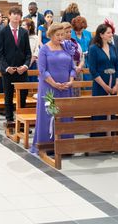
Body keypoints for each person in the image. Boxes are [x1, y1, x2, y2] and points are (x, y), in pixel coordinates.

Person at [31, 23, 76, 154]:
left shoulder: (67, 48)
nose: (61, 37)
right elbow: (42, 70)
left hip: (66, 89)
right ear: (50, 35)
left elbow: (72, 68)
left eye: (62, 34)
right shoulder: (44, 49)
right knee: (49, 115)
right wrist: (54, 83)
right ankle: (47, 146)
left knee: (65, 115)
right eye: (58, 35)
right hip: (49, 90)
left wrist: (70, 81)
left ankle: (66, 146)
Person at [0, 7, 32, 128]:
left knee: (23, 95)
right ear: (9, 16)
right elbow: (0, 53)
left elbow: (28, 53)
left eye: (18, 14)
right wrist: (7, 67)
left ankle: (21, 119)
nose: (16, 16)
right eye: (14, 14)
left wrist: (26, 66)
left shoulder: (24, 32)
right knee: (8, 95)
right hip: (8, 71)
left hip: (22, 70)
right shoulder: (3, 31)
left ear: (21, 17)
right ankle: (9, 119)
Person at [88, 23, 118, 137]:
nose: (111, 35)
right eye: (108, 33)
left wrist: (117, 84)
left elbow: (117, 66)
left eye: (111, 32)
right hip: (100, 84)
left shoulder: (112, 47)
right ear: (101, 35)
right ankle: (99, 138)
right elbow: (93, 70)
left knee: (111, 110)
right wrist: (104, 86)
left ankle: (111, 138)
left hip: (113, 83)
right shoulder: (93, 49)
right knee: (99, 110)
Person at [22, 18, 40, 82]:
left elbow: (36, 50)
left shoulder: (35, 37)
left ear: (29, 27)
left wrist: (30, 61)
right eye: (21, 25)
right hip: (22, 63)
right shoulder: (20, 36)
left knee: (32, 81)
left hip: (32, 62)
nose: (22, 26)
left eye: (24, 25)